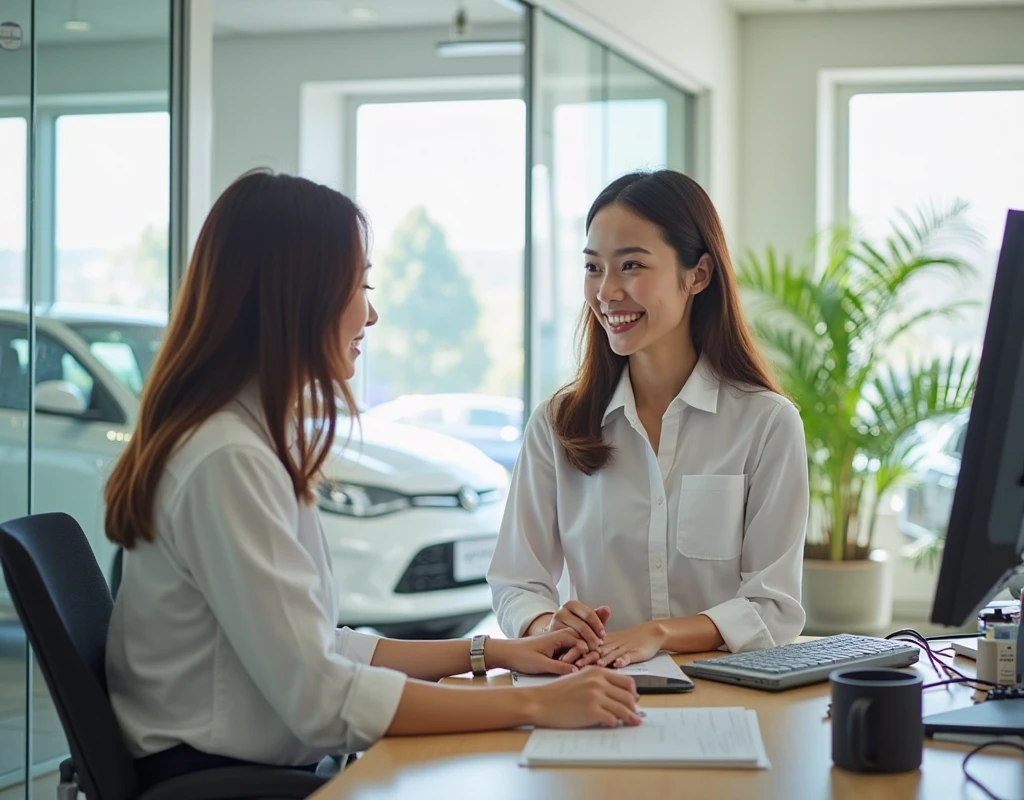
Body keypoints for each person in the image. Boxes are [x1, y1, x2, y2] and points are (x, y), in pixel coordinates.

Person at [104, 171, 640, 790]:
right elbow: (323, 697)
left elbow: (323, 647)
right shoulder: (227, 458)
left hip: (245, 761)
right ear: (298, 297)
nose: (373, 312)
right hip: (222, 779)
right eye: (360, 285)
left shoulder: (244, 438)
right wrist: (534, 705)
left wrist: (491, 654)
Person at [488, 169, 809, 669]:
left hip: (723, 692)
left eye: (632, 265)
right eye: (593, 268)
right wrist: (547, 625)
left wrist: (657, 635)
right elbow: (517, 581)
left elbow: (773, 606)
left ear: (697, 275)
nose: (607, 291)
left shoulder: (766, 423)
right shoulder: (558, 424)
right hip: (590, 691)